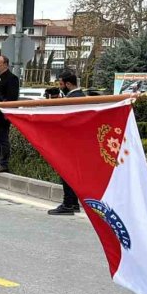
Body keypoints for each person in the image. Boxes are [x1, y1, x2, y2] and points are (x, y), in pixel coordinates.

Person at [48, 70, 85, 216]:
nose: (60, 87)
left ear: (68, 84)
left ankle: (69, 203)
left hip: (71, 142)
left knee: (67, 173)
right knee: (71, 173)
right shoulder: (79, 96)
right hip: (75, 142)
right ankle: (73, 203)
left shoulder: (74, 98)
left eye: (61, 84)